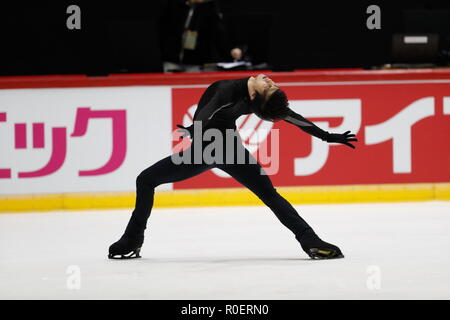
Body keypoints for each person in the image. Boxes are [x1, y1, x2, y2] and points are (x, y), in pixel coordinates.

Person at [108, 74, 357, 260]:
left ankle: (132, 239)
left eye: (270, 86)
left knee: (145, 179)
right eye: (271, 85)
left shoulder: (232, 92)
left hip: (217, 151)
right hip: (215, 150)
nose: (270, 80)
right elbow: (203, 116)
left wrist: (325, 136)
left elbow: (288, 116)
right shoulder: (239, 94)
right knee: (146, 180)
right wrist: (197, 129)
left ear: (254, 99)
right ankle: (309, 240)